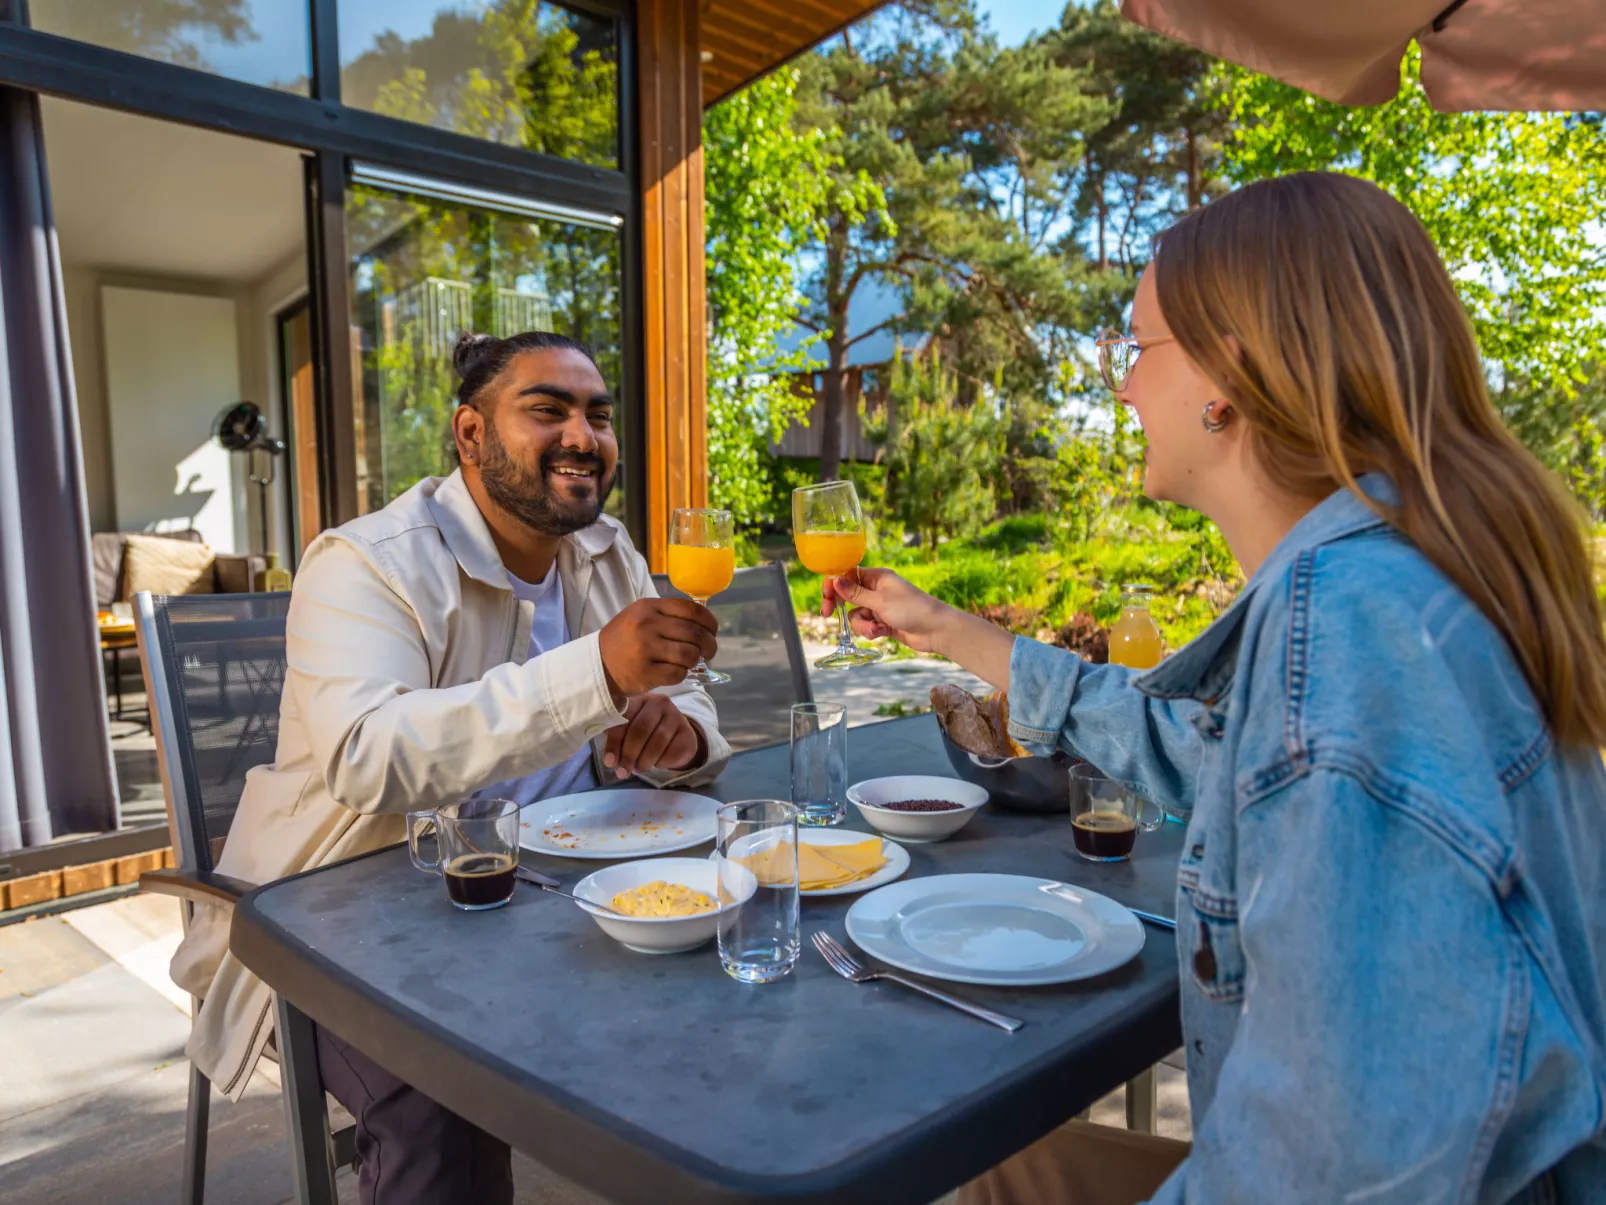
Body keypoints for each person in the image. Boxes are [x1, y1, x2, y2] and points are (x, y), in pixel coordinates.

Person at [826, 173, 1606, 1204]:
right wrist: (947, 627)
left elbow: (1338, 1164)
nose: (1122, 387)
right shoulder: (1408, 574)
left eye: (1141, 347)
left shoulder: (1351, 634)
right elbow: (1201, 749)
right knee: (1000, 1165)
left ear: (1227, 371)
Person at [169, 330, 732, 1205]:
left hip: (553, 891)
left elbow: (684, 694)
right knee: (444, 1096)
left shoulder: (604, 550)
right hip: (341, 918)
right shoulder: (364, 564)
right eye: (547, 410)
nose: (583, 435)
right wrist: (597, 674)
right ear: (471, 435)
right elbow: (366, 755)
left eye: (597, 414)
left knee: (748, 957)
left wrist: (679, 733)